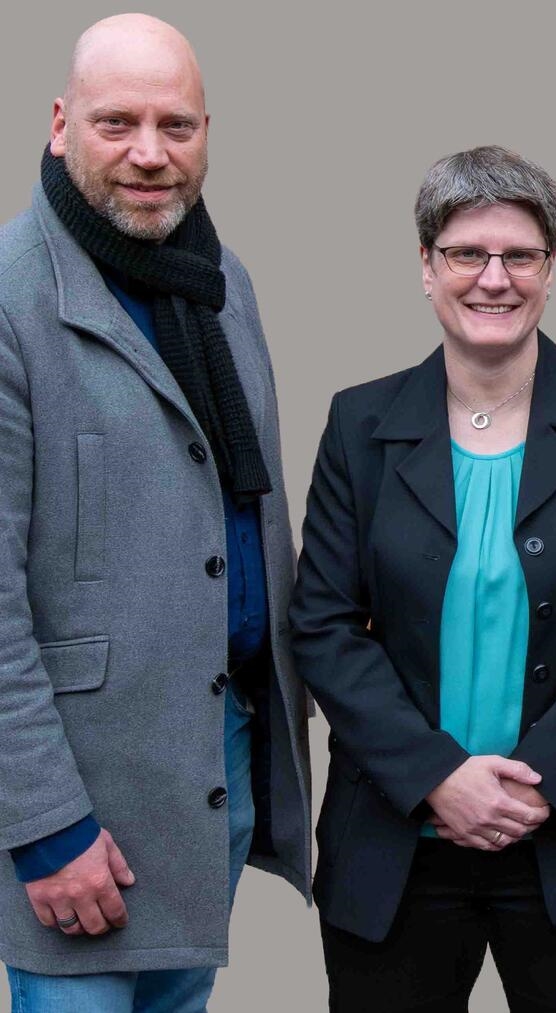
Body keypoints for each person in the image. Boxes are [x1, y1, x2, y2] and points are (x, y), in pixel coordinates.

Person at [290, 145, 556, 1012]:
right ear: (426, 269)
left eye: (520, 256)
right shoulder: (360, 421)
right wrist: (438, 775)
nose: (494, 279)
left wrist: (537, 779)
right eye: (467, 254)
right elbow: (321, 622)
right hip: (394, 846)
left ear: (551, 271)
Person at [0, 13, 312, 1012]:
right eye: (117, 123)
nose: (150, 154)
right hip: (83, 802)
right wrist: (46, 825)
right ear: (58, 124)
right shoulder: (10, 300)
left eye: (176, 126)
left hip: (207, 769)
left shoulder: (221, 284)